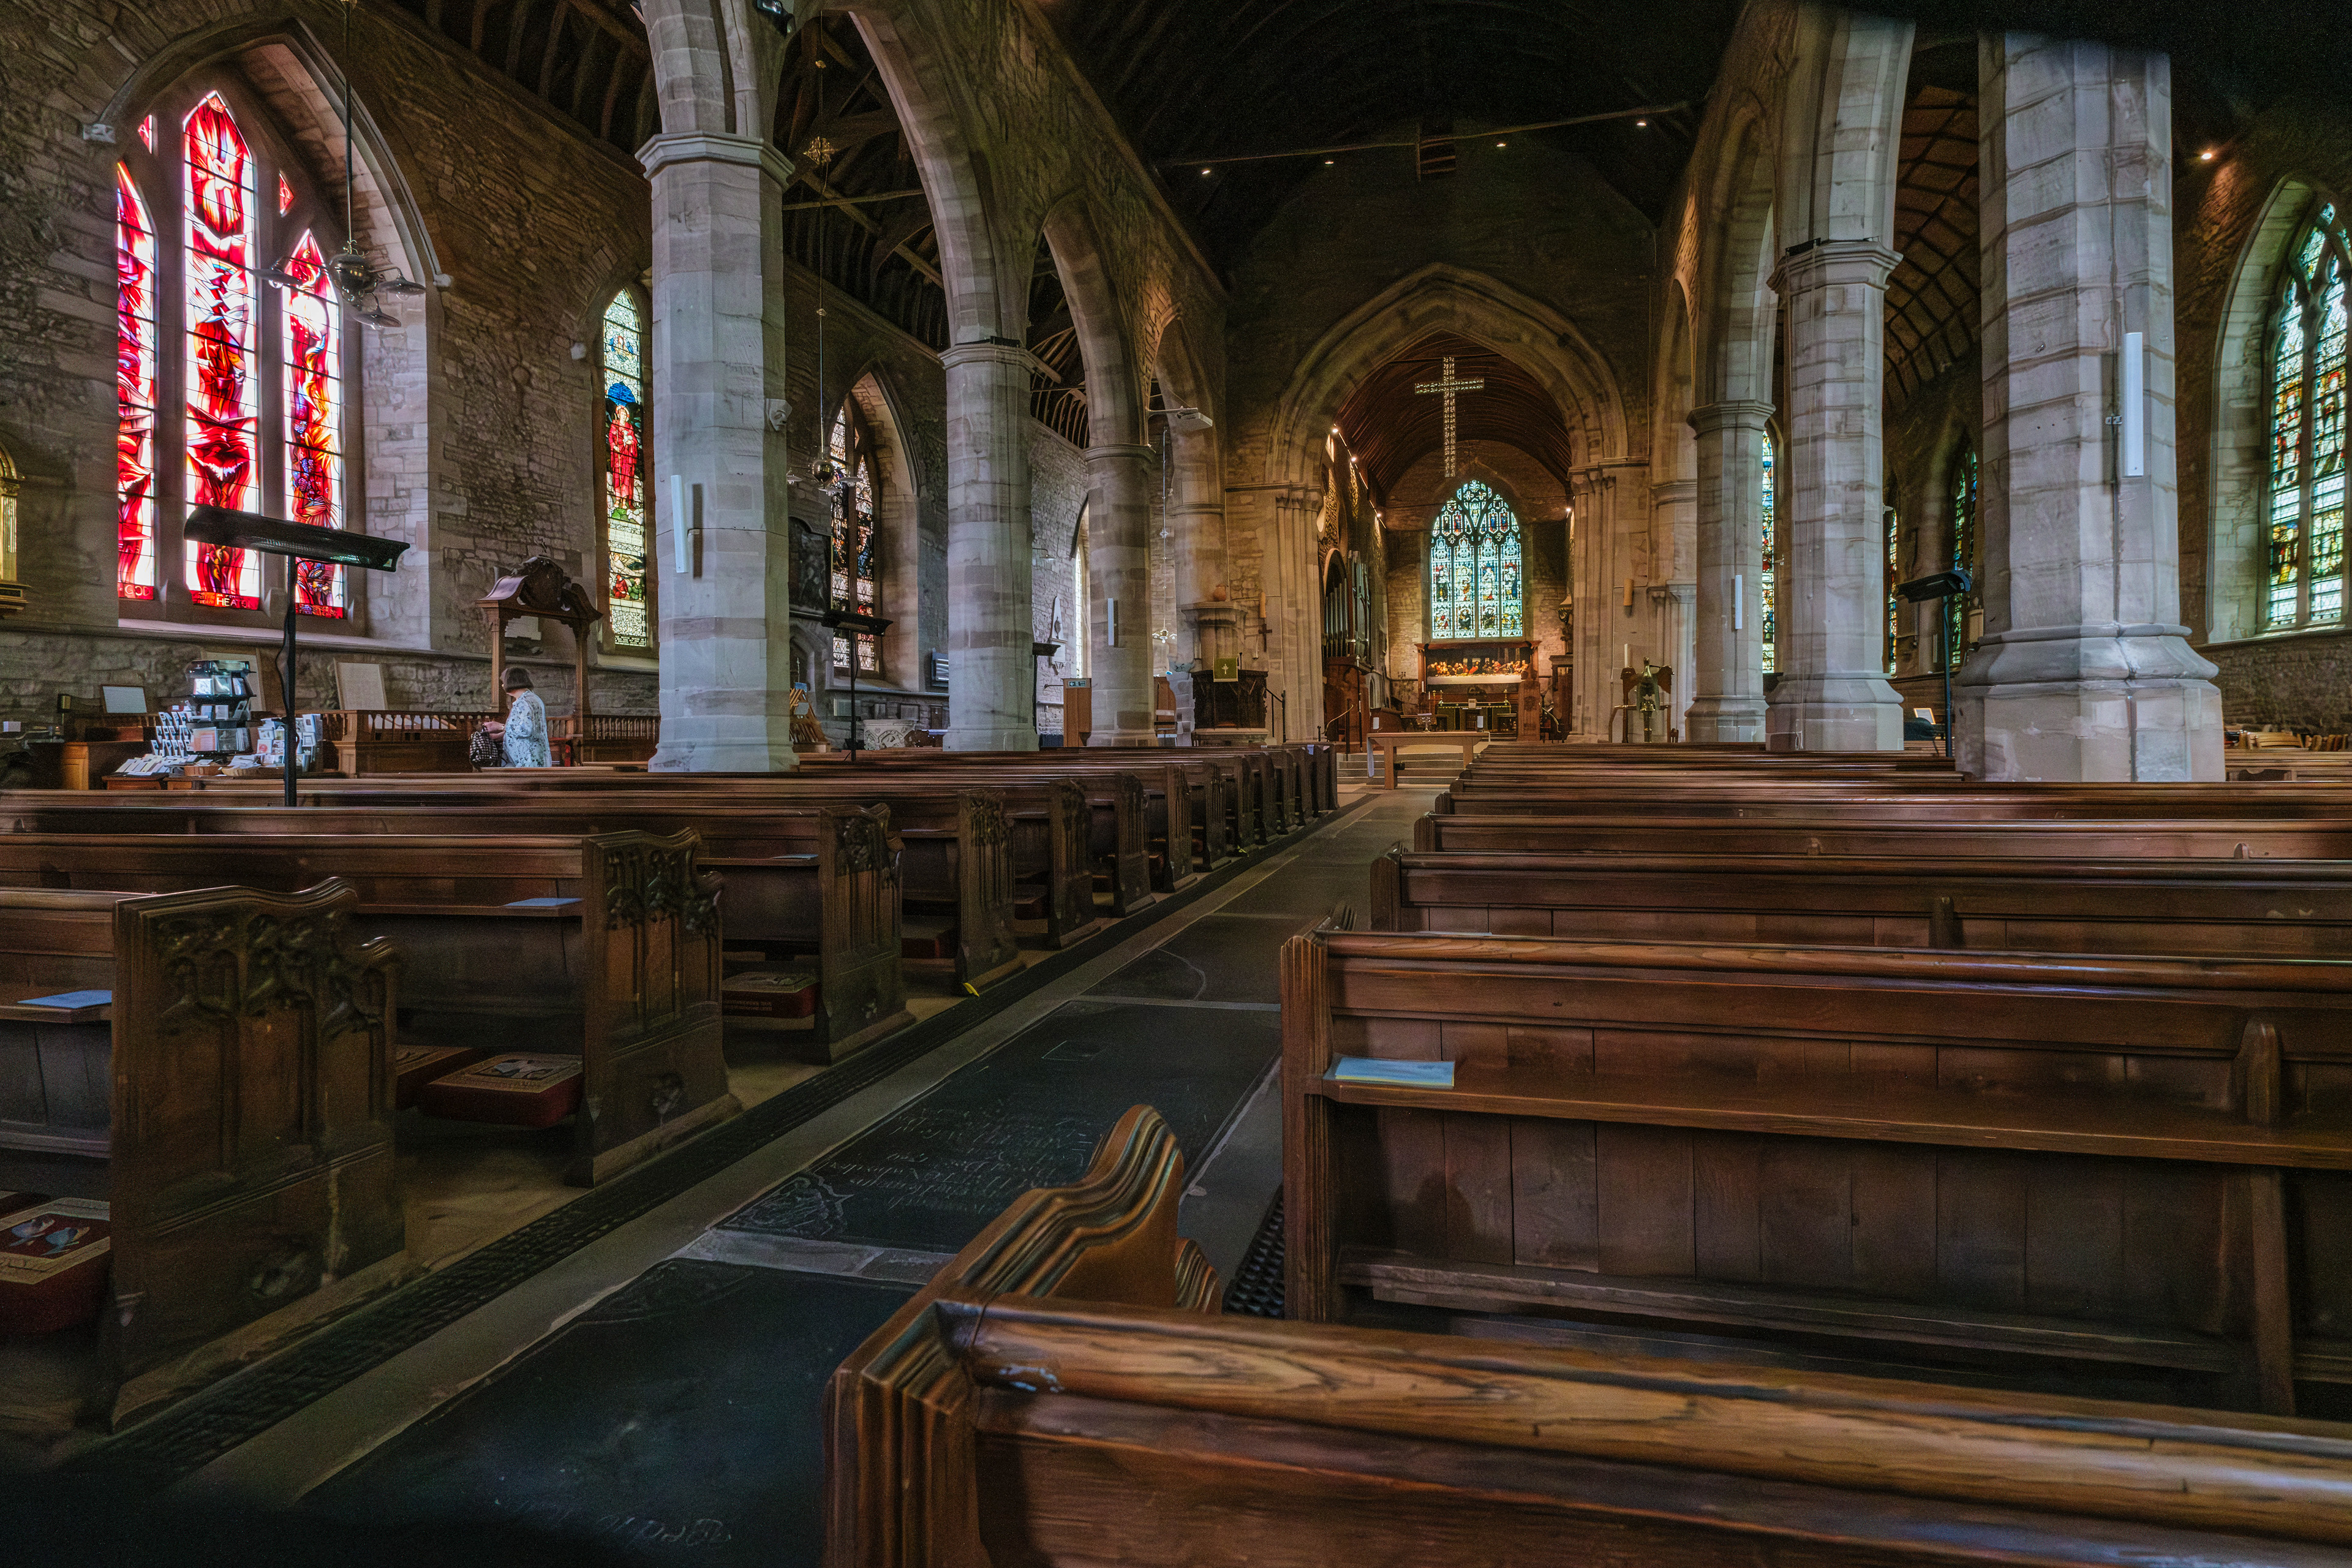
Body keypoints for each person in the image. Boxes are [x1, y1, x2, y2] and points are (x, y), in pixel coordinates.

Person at [480, 668, 552, 767]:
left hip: (528, 760)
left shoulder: (524, 703)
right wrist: (500, 736)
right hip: (531, 757)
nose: (503, 686)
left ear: (512, 682)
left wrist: (500, 727)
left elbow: (525, 730)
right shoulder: (530, 698)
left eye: (504, 682)